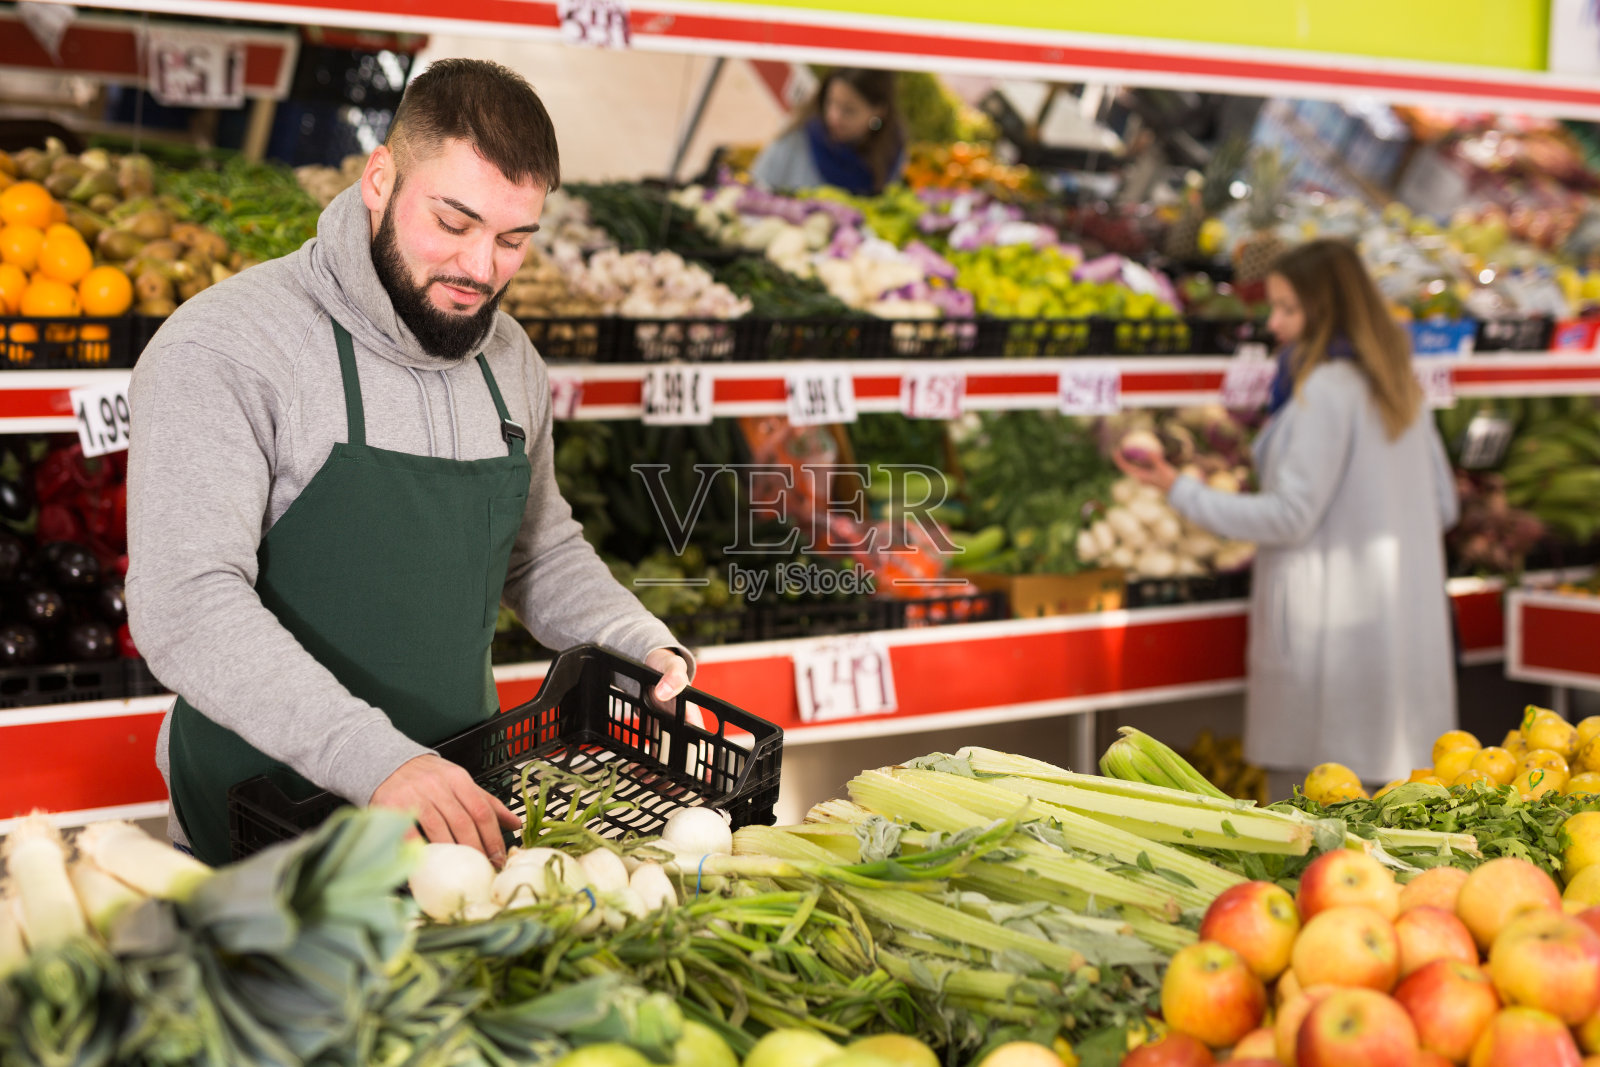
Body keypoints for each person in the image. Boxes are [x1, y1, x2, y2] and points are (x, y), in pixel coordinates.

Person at [126, 59, 692, 867]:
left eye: (512, 240)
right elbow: (183, 605)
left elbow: (539, 550)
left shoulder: (510, 359)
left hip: (457, 815)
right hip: (261, 821)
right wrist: (380, 759)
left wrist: (633, 642)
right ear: (380, 178)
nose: (480, 269)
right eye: (454, 224)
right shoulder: (227, 345)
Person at [1115, 238, 1459, 791]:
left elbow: (1289, 517)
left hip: (1332, 650)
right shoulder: (1399, 387)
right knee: (1396, 832)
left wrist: (1177, 488)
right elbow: (1444, 506)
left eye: (1288, 308)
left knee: (1319, 826)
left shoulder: (1325, 388)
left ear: (1327, 310)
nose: (1273, 324)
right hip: (1400, 645)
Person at [749, 68, 905, 195]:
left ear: (878, 112)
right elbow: (752, 191)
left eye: (849, 110)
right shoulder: (796, 135)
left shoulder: (891, 154)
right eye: (831, 102)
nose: (833, 117)